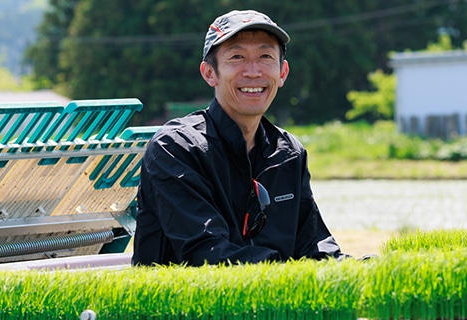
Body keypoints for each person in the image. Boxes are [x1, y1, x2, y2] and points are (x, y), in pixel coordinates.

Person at [132, 9, 345, 266]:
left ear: (282, 73)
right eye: (237, 57)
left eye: (265, 56)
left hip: (273, 299)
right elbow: (206, 253)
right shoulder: (176, 148)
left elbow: (313, 244)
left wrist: (360, 270)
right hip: (187, 304)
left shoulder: (288, 152)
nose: (253, 71)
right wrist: (290, 273)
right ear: (209, 73)